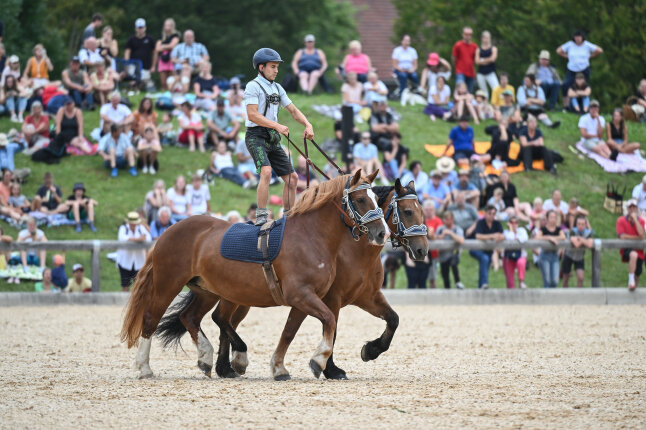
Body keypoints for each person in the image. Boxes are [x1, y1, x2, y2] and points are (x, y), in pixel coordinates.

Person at [244, 48, 314, 225]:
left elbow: (292, 110)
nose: (276, 70)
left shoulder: (277, 88)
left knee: (293, 178)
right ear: (261, 67)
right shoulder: (252, 86)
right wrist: (276, 125)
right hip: (256, 136)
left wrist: (307, 124)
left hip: (273, 137)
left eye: (277, 67)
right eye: (272, 67)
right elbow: (252, 115)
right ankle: (261, 217)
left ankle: (288, 217)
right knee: (266, 172)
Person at [557, 30, 603, 106]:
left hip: (584, 69)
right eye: (576, 37)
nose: (578, 38)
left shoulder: (586, 45)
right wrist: (566, 56)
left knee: (584, 87)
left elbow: (599, 50)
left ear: (582, 37)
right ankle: (566, 105)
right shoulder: (570, 44)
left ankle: (584, 106)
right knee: (566, 85)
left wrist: (591, 56)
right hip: (571, 69)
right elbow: (559, 50)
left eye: (579, 37)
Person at [470, 205, 504, 289]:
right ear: (485, 213)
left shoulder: (496, 223)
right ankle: (484, 283)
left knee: (485, 265)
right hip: (477, 248)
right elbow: (478, 236)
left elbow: (502, 235)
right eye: (490, 213)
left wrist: (498, 237)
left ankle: (481, 287)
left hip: (488, 250)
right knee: (485, 259)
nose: (492, 216)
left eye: (494, 214)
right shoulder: (480, 223)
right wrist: (492, 236)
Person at [117, 212, 151, 292]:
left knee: (138, 286)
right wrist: (139, 239)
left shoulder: (141, 228)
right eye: (132, 223)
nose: (133, 225)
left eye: (135, 223)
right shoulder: (123, 228)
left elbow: (148, 238)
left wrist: (132, 239)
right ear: (128, 222)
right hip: (125, 262)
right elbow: (122, 238)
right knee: (125, 285)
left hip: (139, 262)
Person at [617, 199, 645, 290]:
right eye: (630, 207)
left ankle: (633, 285)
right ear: (627, 209)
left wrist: (636, 220)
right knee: (633, 255)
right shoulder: (621, 220)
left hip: (639, 250)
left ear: (637, 209)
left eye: (634, 207)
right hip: (627, 248)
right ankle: (631, 280)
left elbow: (641, 235)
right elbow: (622, 236)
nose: (632, 209)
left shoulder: (641, 221)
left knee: (638, 273)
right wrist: (636, 238)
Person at [562, 215, 594, 288]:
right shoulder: (573, 231)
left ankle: (579, 294)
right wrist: (584, 240)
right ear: (576, 224)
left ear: (586, 225)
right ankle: (564, 294)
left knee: (580, 278)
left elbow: (590, 245)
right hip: (568, 255)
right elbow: (576, 244)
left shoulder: (588, 233)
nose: (580, 226)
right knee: (566, 278)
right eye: (579, 224)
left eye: (582, 224)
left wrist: (580, 238)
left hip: (579, 257)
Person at [124, 18, 157, 89]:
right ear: (136, 28)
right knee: (133, 83)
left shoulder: (150, 39)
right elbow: (127, 53)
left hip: (146, 67)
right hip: (133, 66)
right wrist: (127, 65)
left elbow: (155, 53)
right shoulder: (131, 39)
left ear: (145, 28)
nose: (140, 29)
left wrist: (153, 66)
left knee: (148, 86)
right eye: (139, 28)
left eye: (141, 27)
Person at [435, 211, 465, 289]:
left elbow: (461, 240)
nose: (446, 221)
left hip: (453, 254)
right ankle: (447, 289)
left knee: (453, 263)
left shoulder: (457, 229)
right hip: (443, 256)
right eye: (445, 219)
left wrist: (451, 233)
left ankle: (457, 282)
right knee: (445, 276)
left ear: (452, 220)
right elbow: (435, 239)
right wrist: (441, 236)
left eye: (448, 219)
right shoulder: (440, 229)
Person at [536, 210, 565, 288]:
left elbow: (563, 237)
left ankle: (552, 296)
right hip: (545, 255)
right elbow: (538, 237)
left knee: (555, 281)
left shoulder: (558, 229)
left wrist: (554, 238)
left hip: (555, 256)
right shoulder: (543, 229)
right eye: (551, 217)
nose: (553, 219)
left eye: (554, 217)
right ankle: (546, 297)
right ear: (547, 218)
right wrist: (549, 238)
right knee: (547, 280)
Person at [502, 215, 528, 289]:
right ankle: (511, 295)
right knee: (510, 282)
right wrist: (511, 230)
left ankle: (521, 281)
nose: (514, 224)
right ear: (508, 223)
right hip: (508, 257)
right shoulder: (505, 232)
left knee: (521, 263)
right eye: (511, 222)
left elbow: (524, 238)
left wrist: (515, 238)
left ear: (518, 224)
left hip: (520, 255)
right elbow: (510, 238)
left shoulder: (522, 230)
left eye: (515, 222)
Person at [155, 18, 181, 90]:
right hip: (162, 58)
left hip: (171, 58)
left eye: (169, 25)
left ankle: (171, 91)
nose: (167, 27)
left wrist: (163, 46)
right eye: (166, 25)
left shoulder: (175, 35)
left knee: (171, 79)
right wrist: (168, 47)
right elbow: (157, 48)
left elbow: (173, 46)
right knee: (163, 81)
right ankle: (164, 91)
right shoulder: (161, 36)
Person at [452, 27, 478, 93]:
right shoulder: (458, 45)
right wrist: (457, 67)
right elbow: (453, 58)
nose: (467, 36)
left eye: (469, 34)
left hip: (471, 72)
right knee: (459, 89)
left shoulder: (474, 46)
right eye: (466, 34)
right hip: (460, 71)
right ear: (463, 34)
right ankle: (457, 102)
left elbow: (476, 60)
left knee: (469, 92)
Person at [423, 201, 443, 288]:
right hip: (422, 253)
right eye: (426, 209)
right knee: (422, 278)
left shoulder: (438, 221)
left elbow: (441, 237)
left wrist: (433, 235)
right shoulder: (420, 220)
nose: (428, 211)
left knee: (432, 278)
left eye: (430, 209)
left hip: (434, 253)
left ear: (434, 210)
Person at [474, 31, 499, 100]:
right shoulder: (478, 49)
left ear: (490, 39)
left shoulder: (493, 48)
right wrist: (488, 60)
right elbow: (477, 61)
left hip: (490, 72)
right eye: (484, 38)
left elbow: (493, 59)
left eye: (487, 38)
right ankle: (485, 106)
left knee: (496, 89)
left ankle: (497, 104)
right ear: (482, 39)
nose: (486, 40)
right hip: (481, 73)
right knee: (483, 92)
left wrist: (482, 60)